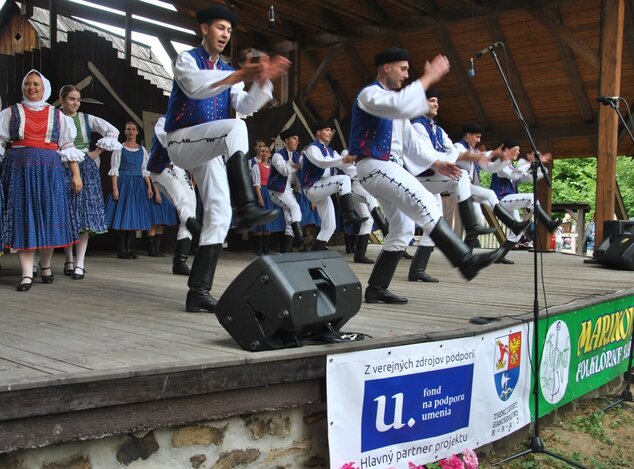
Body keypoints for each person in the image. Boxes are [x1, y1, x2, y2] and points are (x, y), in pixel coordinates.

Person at [349, 48, 502, 304]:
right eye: (404, 69)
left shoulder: (397, 108)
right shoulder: (370, 94)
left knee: (403, 228)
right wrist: (428, 78)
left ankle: (376, 288)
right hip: (375, 165)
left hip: (388, 167)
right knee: (426, 201)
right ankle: (465, 260)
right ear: (387, 67)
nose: (407, 75)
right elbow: (398, 104)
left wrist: (436, 162)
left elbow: (411, 144)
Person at [162, 5, 289, 313]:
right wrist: (240, 74)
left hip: (210, 146)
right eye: (220, 28)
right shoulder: (186, 59)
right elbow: (194, 86)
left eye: (229, 31)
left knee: (219, 213)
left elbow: (245, 104)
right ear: (204, 28)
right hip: (181, 140)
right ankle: (247, 205)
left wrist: (261, 81)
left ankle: (199, 292)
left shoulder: (228, 69)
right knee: (235, 128)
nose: (225, 34)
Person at [0, 70, 83, 291]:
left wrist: (75, 175)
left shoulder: (58, 117)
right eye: (27, 83)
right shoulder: (10, 113)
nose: (31, 87)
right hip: (20, 172)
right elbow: (0, 142)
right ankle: (27, 274)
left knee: (48, 217)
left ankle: (45, 266)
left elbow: (67, 147)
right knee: (24, 218)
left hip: (51, 172)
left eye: (36, 84)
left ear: (44, 87)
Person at [406, 92, 499, 282]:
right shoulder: (417, 126)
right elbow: (427, 154)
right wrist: (459, 158)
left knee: (434, 223)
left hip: (432, 182)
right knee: (461, 175)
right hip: (418, 179)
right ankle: (472, 225)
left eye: (437, 101)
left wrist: (479, 155)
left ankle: (417, 269)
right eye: (431, 101)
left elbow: (454, 151)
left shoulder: (438, 130)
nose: (436, 104)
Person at [58, 84, 122, 279]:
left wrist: (96, 152)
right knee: (67, 214)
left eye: (78, 99)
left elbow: (112, 132)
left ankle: (80, 263)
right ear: (62, 99)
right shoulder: (55, 117)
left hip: (84, 167)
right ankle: (68, 259)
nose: (76, 103)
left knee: (83, 214)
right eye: (72, 99)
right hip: (60, 166)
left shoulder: (87, 119)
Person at [455, 123, 530, 264]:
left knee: (477, 222)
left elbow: (490, 168)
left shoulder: (473, 151)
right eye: (476, 137)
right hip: (457, 185)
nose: (478, 140)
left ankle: (464, 256)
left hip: (469, 188)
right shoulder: (458, 147)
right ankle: (513, 224)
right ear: (468, 135)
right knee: (489, 194)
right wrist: (494, 153)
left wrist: (504, 159)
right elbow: (470, 156)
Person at [300, 120, 367, 251]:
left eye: (330, 130)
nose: (330, 133)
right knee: (343, 179)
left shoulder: (331, 151)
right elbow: (322, 162)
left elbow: (347, 167)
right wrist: (343, 159)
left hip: (323, 189)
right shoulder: (312, 148)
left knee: (330, 226)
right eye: (327, 130)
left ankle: (316, 252)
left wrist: (365, 174)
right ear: (318, 132)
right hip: (312, 187)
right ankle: (348, 215)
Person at [490, 142, 562, 258]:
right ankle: (548, 224)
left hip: (508, 201)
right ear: (507, 150)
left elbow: (524, 177)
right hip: (500, 200)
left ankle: (499, 256)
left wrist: (540, 168)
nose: (518, 152)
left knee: (517, 232)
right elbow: (514, 176)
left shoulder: (511, 166)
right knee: (531, 197)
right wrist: (528, 162)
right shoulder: (501, 164)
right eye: (516, 149)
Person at [149, 116, 200, 275]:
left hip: (182, 171)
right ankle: (201, 236)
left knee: (190, 211)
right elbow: (169, 141)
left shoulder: (195, 125)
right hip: (162, 168)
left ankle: (180, 262)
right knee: (183, 204)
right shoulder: (164, 121)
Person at [104, 121, 153, 259]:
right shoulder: (119, 148)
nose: (131, 131)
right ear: (125, 132)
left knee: (133, 217)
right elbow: (114, 169)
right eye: (128, 129)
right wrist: (115, 189)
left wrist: (149, 187)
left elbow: (145, 170)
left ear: (137, 132)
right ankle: (121, 249)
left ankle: (130, 249)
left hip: (138, 185)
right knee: (123, 215)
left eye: (133, 129)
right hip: (124, 183)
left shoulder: (142, 150)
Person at [269, 127, 312, 252]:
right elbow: (284, 170)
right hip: (277, 190)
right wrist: (297, 165)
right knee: (295, 208)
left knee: (290, 220)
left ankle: (285, 251)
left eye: (298, 140)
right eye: (294, 139)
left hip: (289, 191)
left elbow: (305, 169)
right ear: (286, 140)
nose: (297, 142)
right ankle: (300, 238)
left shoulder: (298, 156)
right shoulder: (278, 155)